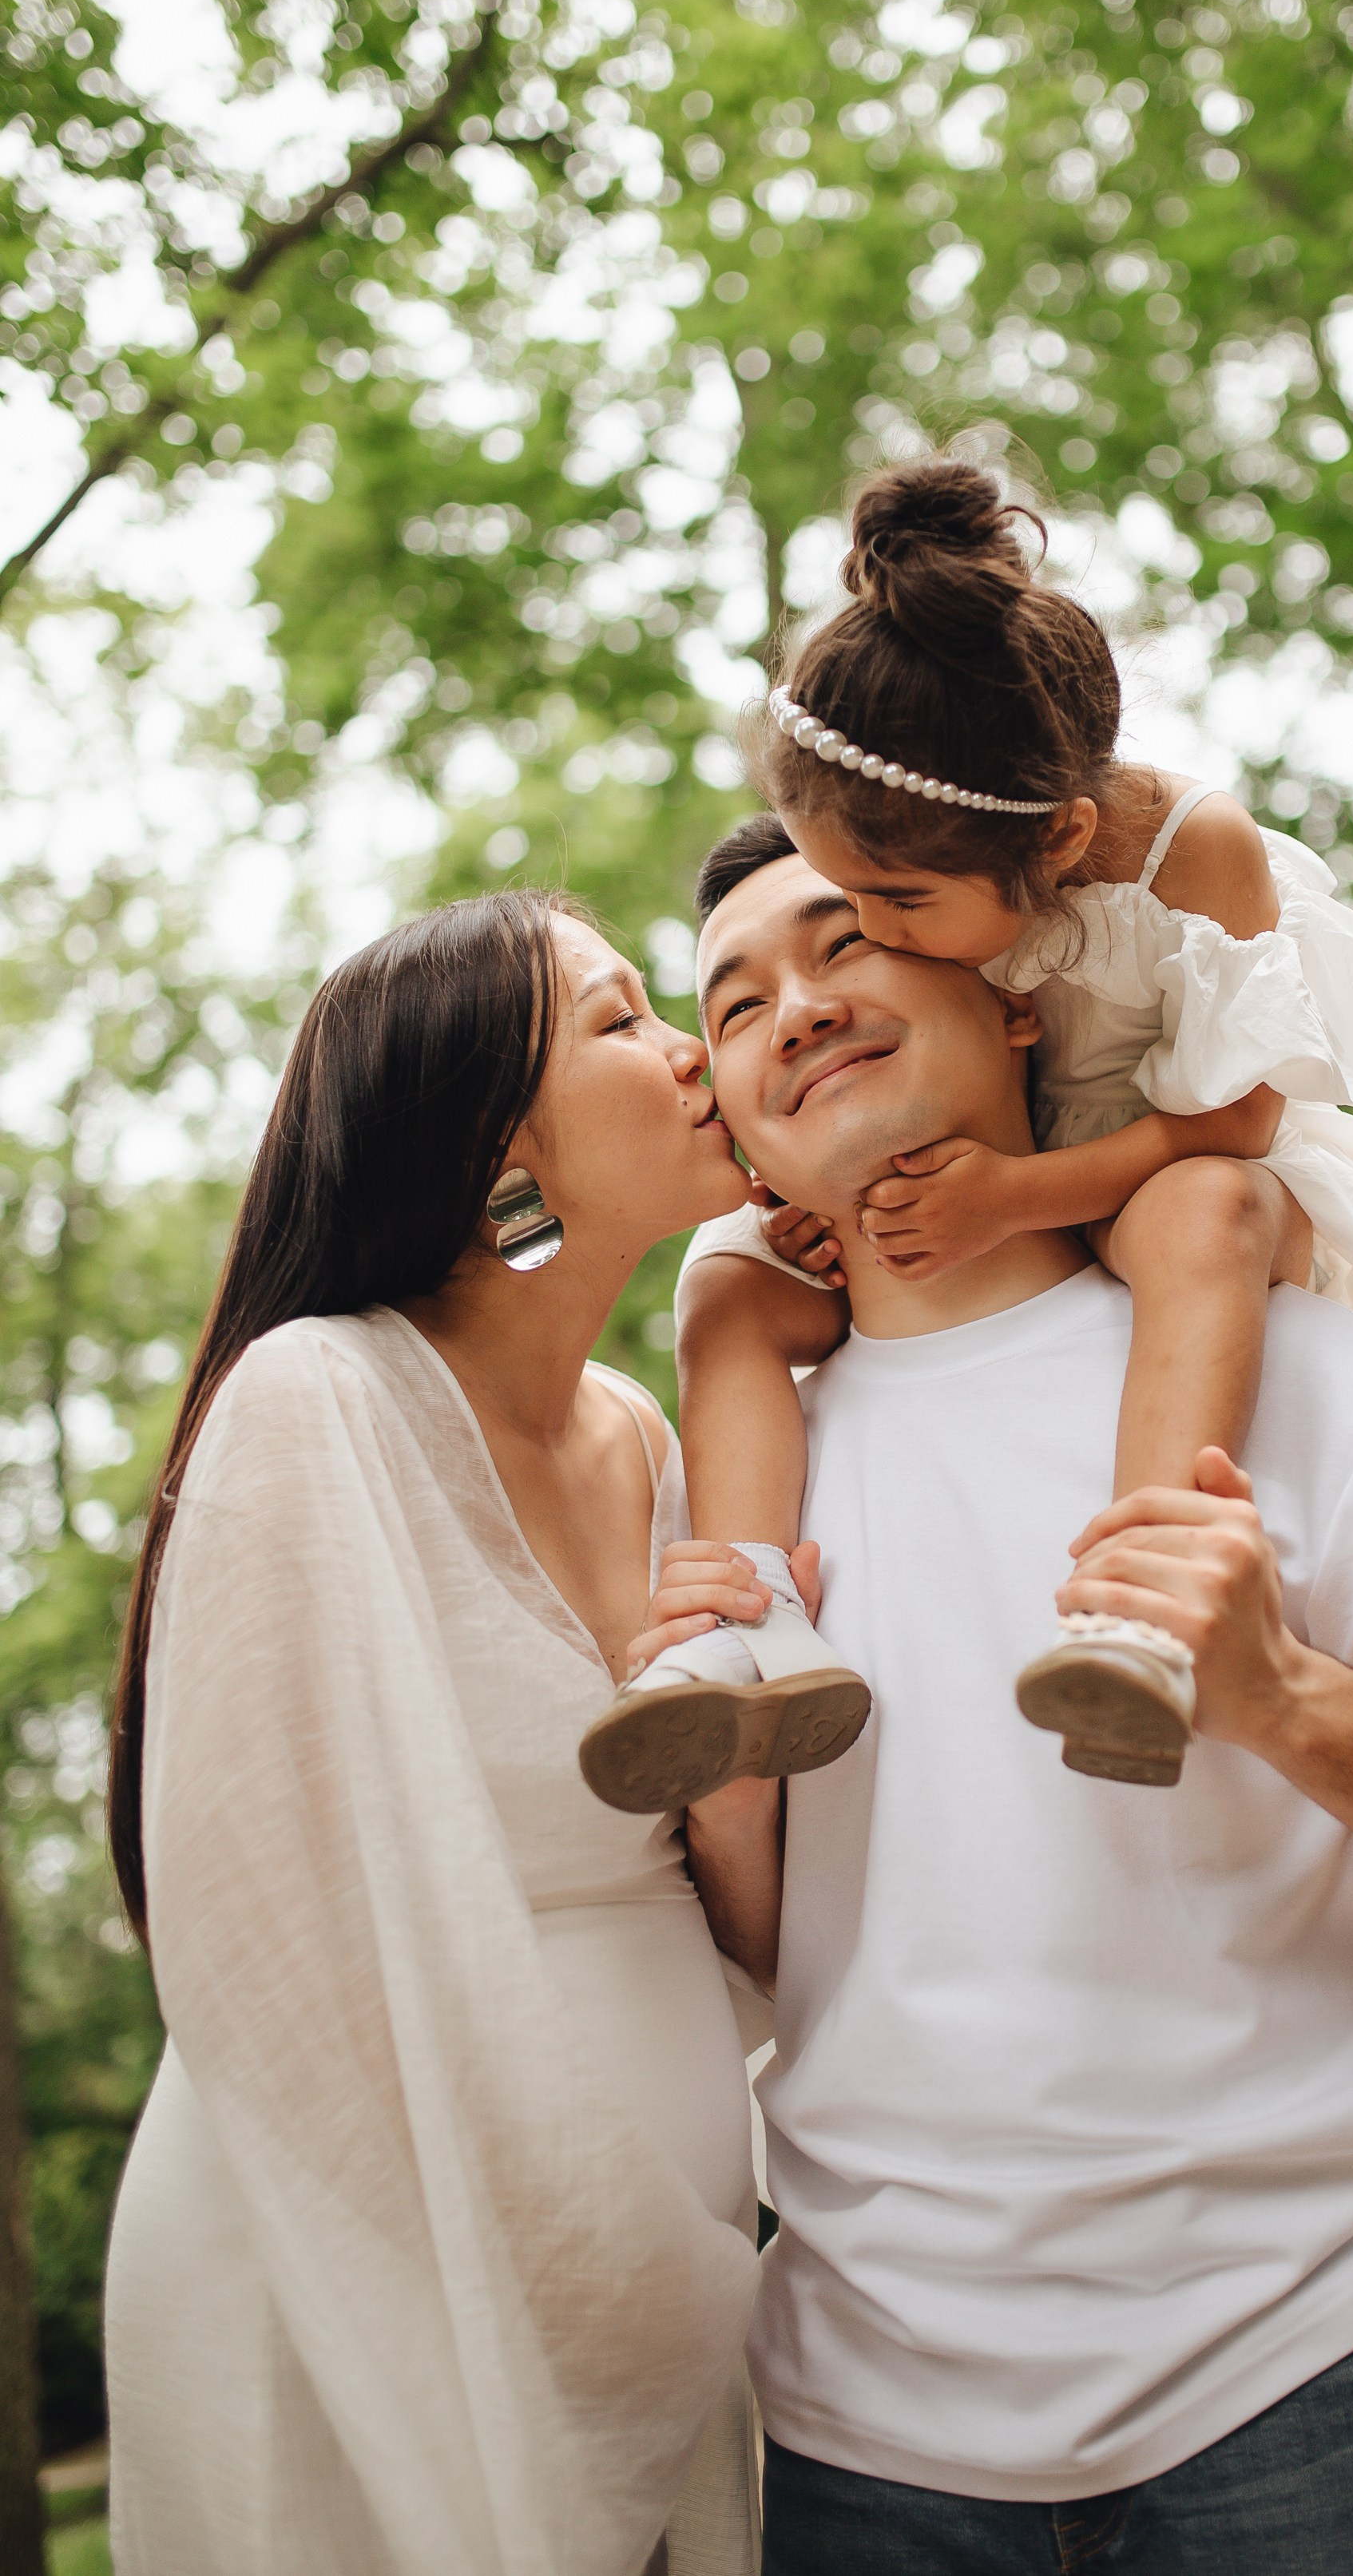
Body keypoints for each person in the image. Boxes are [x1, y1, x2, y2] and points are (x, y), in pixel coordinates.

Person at [653, 826, 1353, 2576]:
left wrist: (1279, 1696)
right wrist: (728, 1806)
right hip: (862, 2445)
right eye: (738, 1006)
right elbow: (763, 1961)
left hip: (1327, 2392)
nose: (796, 1011)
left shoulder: (1328, 1387)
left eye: (844, 945)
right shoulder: (725, 1512)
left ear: (1014, 998)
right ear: (734, 1127)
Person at [582, 459, 1353, 1813]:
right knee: (728, 1277)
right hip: (1019, 1159)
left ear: (1061, 844)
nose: (873, 938)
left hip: (1187, 1146)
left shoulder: (1188, 852)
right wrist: (836, 1211)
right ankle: (747, 1630)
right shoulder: (950, 866)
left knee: (1198, 1215)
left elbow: (1236, 1116)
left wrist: (1015, 1195)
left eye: (880, 916)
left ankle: (1140, 1607)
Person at [103, 891, 802, 2576]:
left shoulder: (650, 1435)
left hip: (680, 2302)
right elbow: (265, 1956)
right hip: (370, 2297)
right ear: (504, 1140)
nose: (698, 1049)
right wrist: (596, 2277)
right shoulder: (317, 1401)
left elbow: (745, 1926)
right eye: (627, 1019)